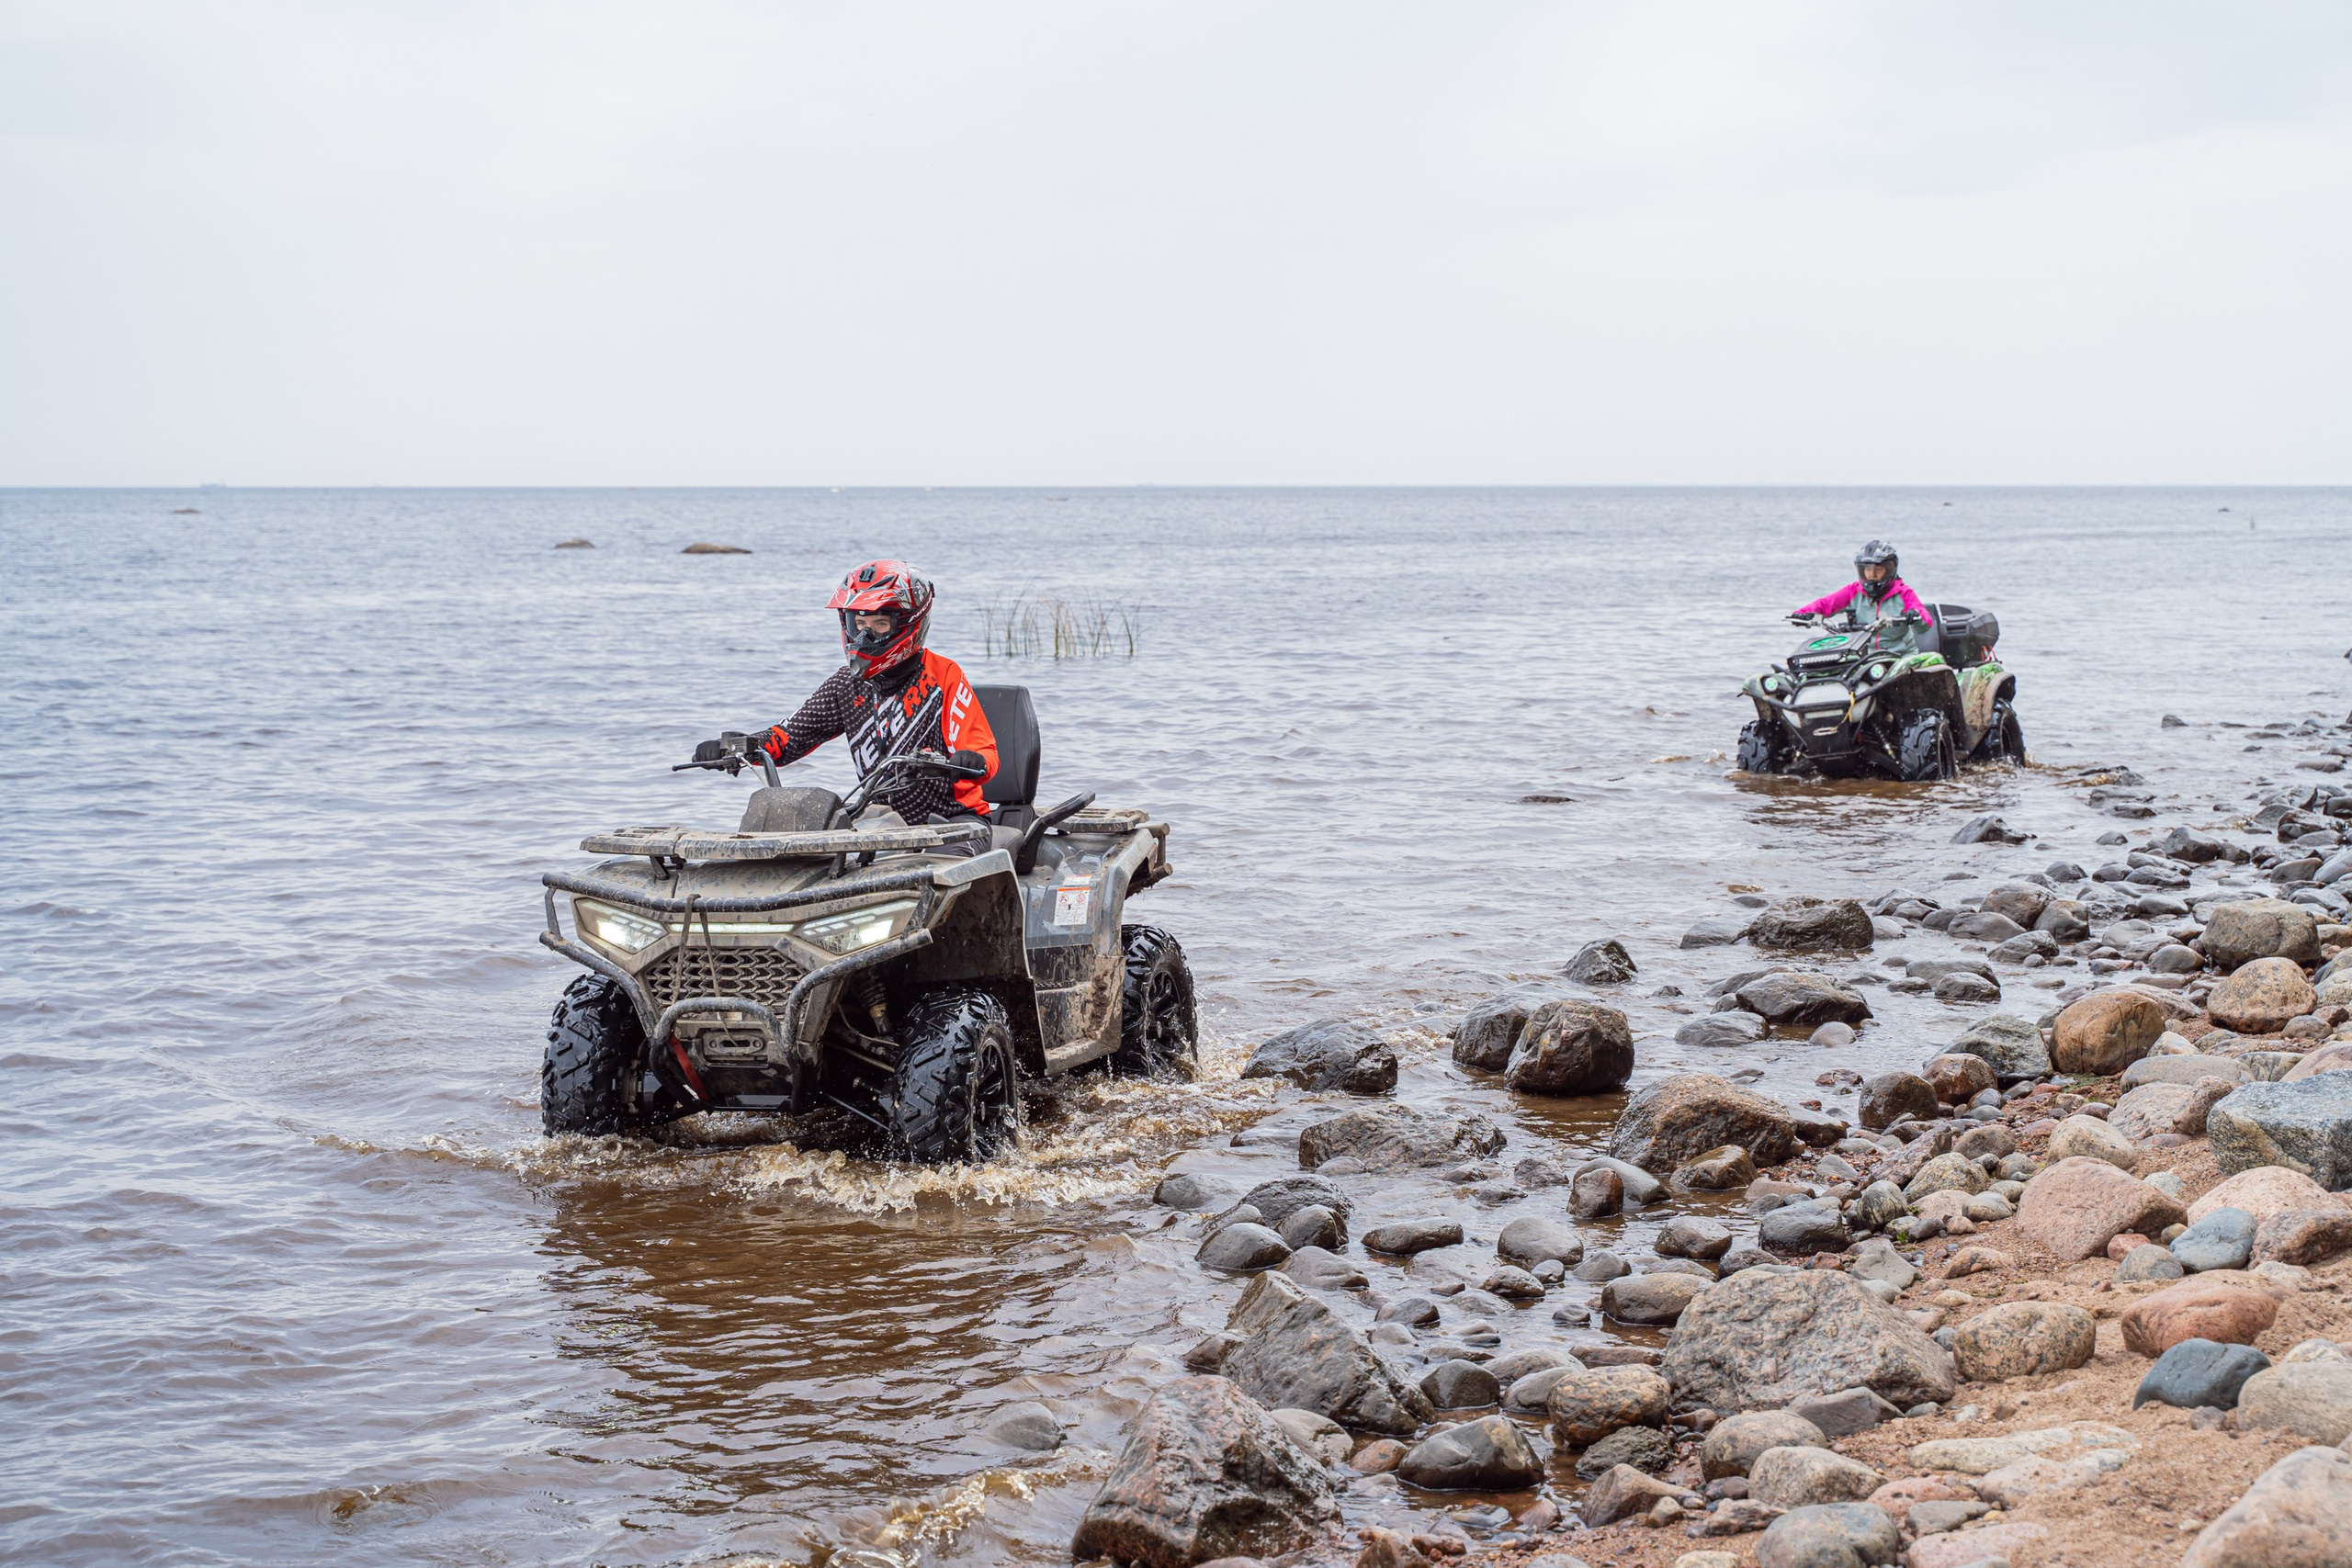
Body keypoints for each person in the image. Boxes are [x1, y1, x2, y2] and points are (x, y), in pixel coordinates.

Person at [695, 559, 999, 839]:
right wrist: (737, 747)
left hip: (955, 821)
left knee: (939, 869)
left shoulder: (943, 675)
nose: (866, 635)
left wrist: (972, 760)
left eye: (880, 625)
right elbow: (788, 738)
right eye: (860, 625)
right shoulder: (846, 684)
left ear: (908, 623)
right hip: (881, 822)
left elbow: (982, 751)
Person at [1793, 540, 1927, 642]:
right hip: (1861, 654)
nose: (1872, 575)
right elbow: (1826, 604)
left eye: (1878, 570)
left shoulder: (1903, 593)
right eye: (1868, 570)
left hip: (1897, 654)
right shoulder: (1853, 591)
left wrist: (1913, 616)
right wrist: (1804, 614)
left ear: (1890, 570)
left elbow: (1924, 621)